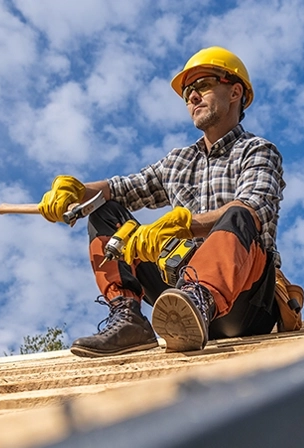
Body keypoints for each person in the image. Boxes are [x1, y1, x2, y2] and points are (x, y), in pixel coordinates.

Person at [38, 47, 285, 356]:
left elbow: (255, 207)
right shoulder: (178, 161)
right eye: (187, 93)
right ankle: (129, 318)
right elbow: (121, 188)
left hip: (244, 302)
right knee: (105, 211)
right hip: (179, 294)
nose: (193, 97)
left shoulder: (257, 150)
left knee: (239, 213)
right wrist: (76, 191)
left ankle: (199, 299)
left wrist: (183, 226)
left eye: (203, 85)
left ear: (235, 91)